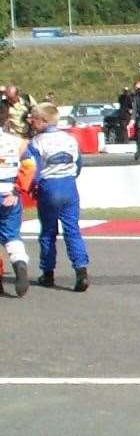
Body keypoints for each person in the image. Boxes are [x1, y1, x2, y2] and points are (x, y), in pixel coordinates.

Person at [28, 104, 90, 292]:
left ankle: (47, 273)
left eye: (34, 119)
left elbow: (33, 168)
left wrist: (33, 187)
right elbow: (78, 163)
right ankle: (81, 270)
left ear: (44, 121)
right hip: (69, 185)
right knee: (72, 229)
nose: (31, 122)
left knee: (48, 232)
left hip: (49, 186)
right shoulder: (69, 138)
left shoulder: (37, 142)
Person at [0, 103, 35, 297]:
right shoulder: (18, 142)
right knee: (12, 235)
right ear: (6, 119)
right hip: (9, 192)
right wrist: (17, 190)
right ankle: (20, 264)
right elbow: (30, 167)